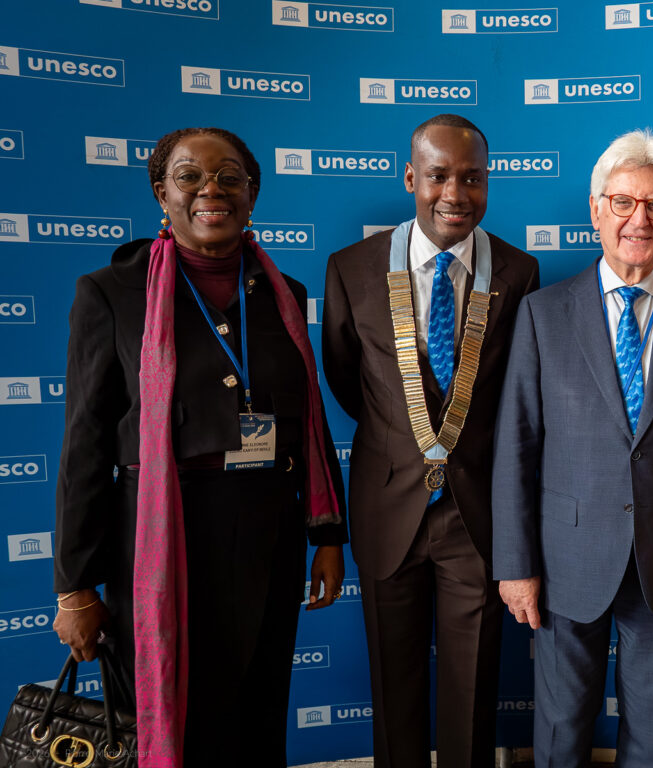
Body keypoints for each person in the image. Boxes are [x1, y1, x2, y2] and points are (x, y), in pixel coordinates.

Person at [52, 127, 347, 768]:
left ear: (251, 194)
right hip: (165, 537)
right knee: (188, 723)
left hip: (270, 534)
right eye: (189, 176)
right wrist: (75, 588)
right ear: (162, 193)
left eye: (230, 176)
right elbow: (83, 447)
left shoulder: (285, 295)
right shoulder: (111, 293)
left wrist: (326, 533)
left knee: (260, 710)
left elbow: (304, 426)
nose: (211, 188)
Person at [492, 129, 653, 767]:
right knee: (558, 735)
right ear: (596, 209)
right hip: (564, 560)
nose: (640, 219)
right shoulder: (543, 313)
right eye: (624, 202)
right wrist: (515, 564)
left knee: (652, 739)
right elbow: (516, 446)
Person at [322, 113, 539, 768]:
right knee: (395, 686)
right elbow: (345, 378)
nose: (455, 193)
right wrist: (407, 438)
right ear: (411, 177)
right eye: (439, 176)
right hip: (389, 505)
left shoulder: (520, 272)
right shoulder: (352, 268)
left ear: (488, 183)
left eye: (472, 178)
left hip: (477, 515)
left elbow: (516, 394)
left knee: (473, 688)